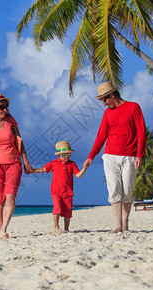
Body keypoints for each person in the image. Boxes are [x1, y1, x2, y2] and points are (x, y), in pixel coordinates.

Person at [83, 82, 146, 233]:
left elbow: (141, 131)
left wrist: (140, 154)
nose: (103, 104)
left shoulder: (133, 107)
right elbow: (101, 136)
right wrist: (91, 156)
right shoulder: (107, 113)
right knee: (114, 190)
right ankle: (118, 225)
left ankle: (125, 223)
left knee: (127, 191)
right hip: (110, 156)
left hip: (129, 156)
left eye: (104, 100)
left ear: (112, 95)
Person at [0, 92, 33, 239]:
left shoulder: (11, 121)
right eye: (1, 107)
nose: (5, 110)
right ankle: (1, 231)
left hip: (14, 163)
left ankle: (3, 228)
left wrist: (26, 160)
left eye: (6, 106)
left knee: (11, 196)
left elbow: (19, 141)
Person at [31, 141, 87, 234]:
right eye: (64, 154)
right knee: (57, 208)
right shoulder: (54, 163)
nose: (67, 156)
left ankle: (66, 228)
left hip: (68, 192)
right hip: (56, 192)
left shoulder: (72, 164)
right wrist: (33, 170)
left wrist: (84, 168)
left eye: (68, 154)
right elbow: (43, 169)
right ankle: (56, 227)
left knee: (68, 212)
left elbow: (78, 175)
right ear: (59, 155)